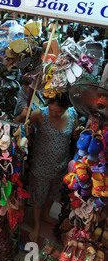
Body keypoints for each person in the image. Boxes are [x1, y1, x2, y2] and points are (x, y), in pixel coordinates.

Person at [17, 93, 83, 242]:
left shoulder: (72, 114)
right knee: (38, 196)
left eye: (58, 112)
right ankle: (36, 224)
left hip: (61, 164)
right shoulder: (41, 113)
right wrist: (22, 115)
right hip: (41, 165)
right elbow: (18, 123)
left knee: (54, 193)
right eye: (52, 110)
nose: (54, 113)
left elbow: (73, 135)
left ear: (66, 108)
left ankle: (46, 215)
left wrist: (78, 131)